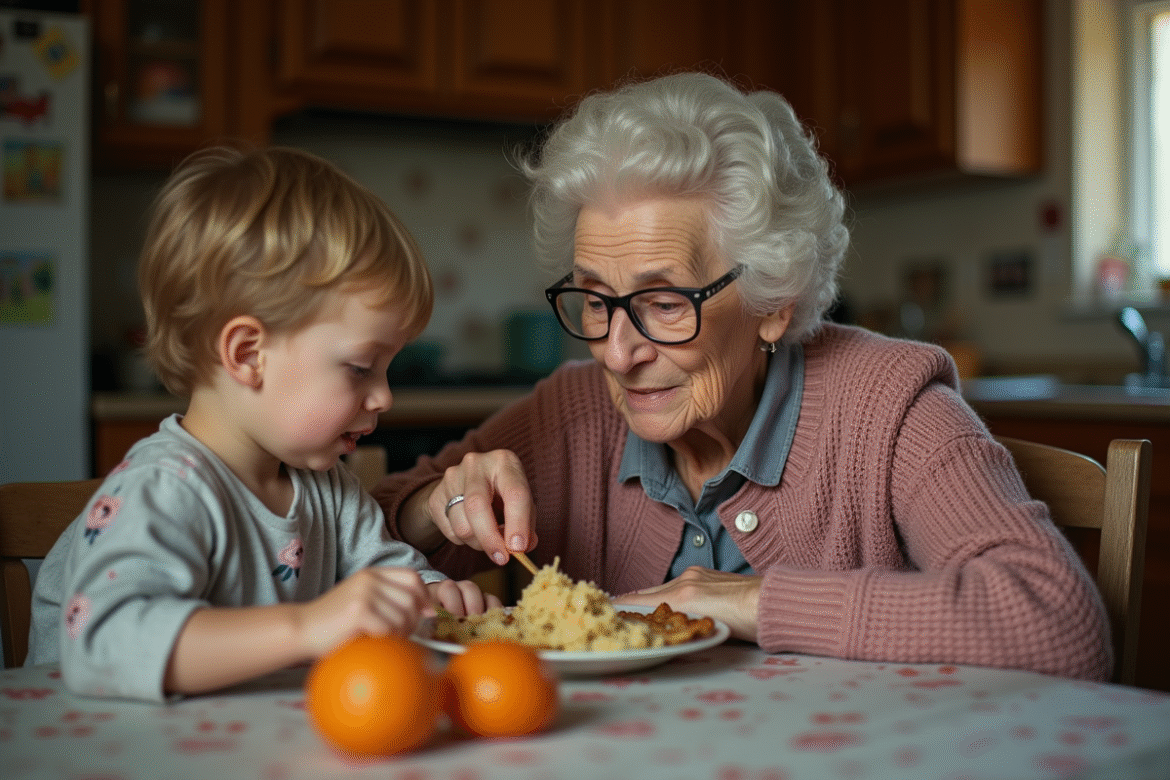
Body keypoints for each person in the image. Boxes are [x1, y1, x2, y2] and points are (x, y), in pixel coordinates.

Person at [373, 73, 1113, 681]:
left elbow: (1056, 622)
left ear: (772, 303)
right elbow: (320, 544)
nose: (616, 352)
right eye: (596, 299)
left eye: (664, 303)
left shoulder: (889, 405)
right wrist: (433, 505)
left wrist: (747, 602)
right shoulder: (572, 412)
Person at [28, 145, 500, 701]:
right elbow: (101, 644)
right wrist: (306, 628)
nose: (383, 397)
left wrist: (432, 598)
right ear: (248, 353)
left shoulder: (326, 487)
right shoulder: (162, 490)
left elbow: (389, 577)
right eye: (360, 368)